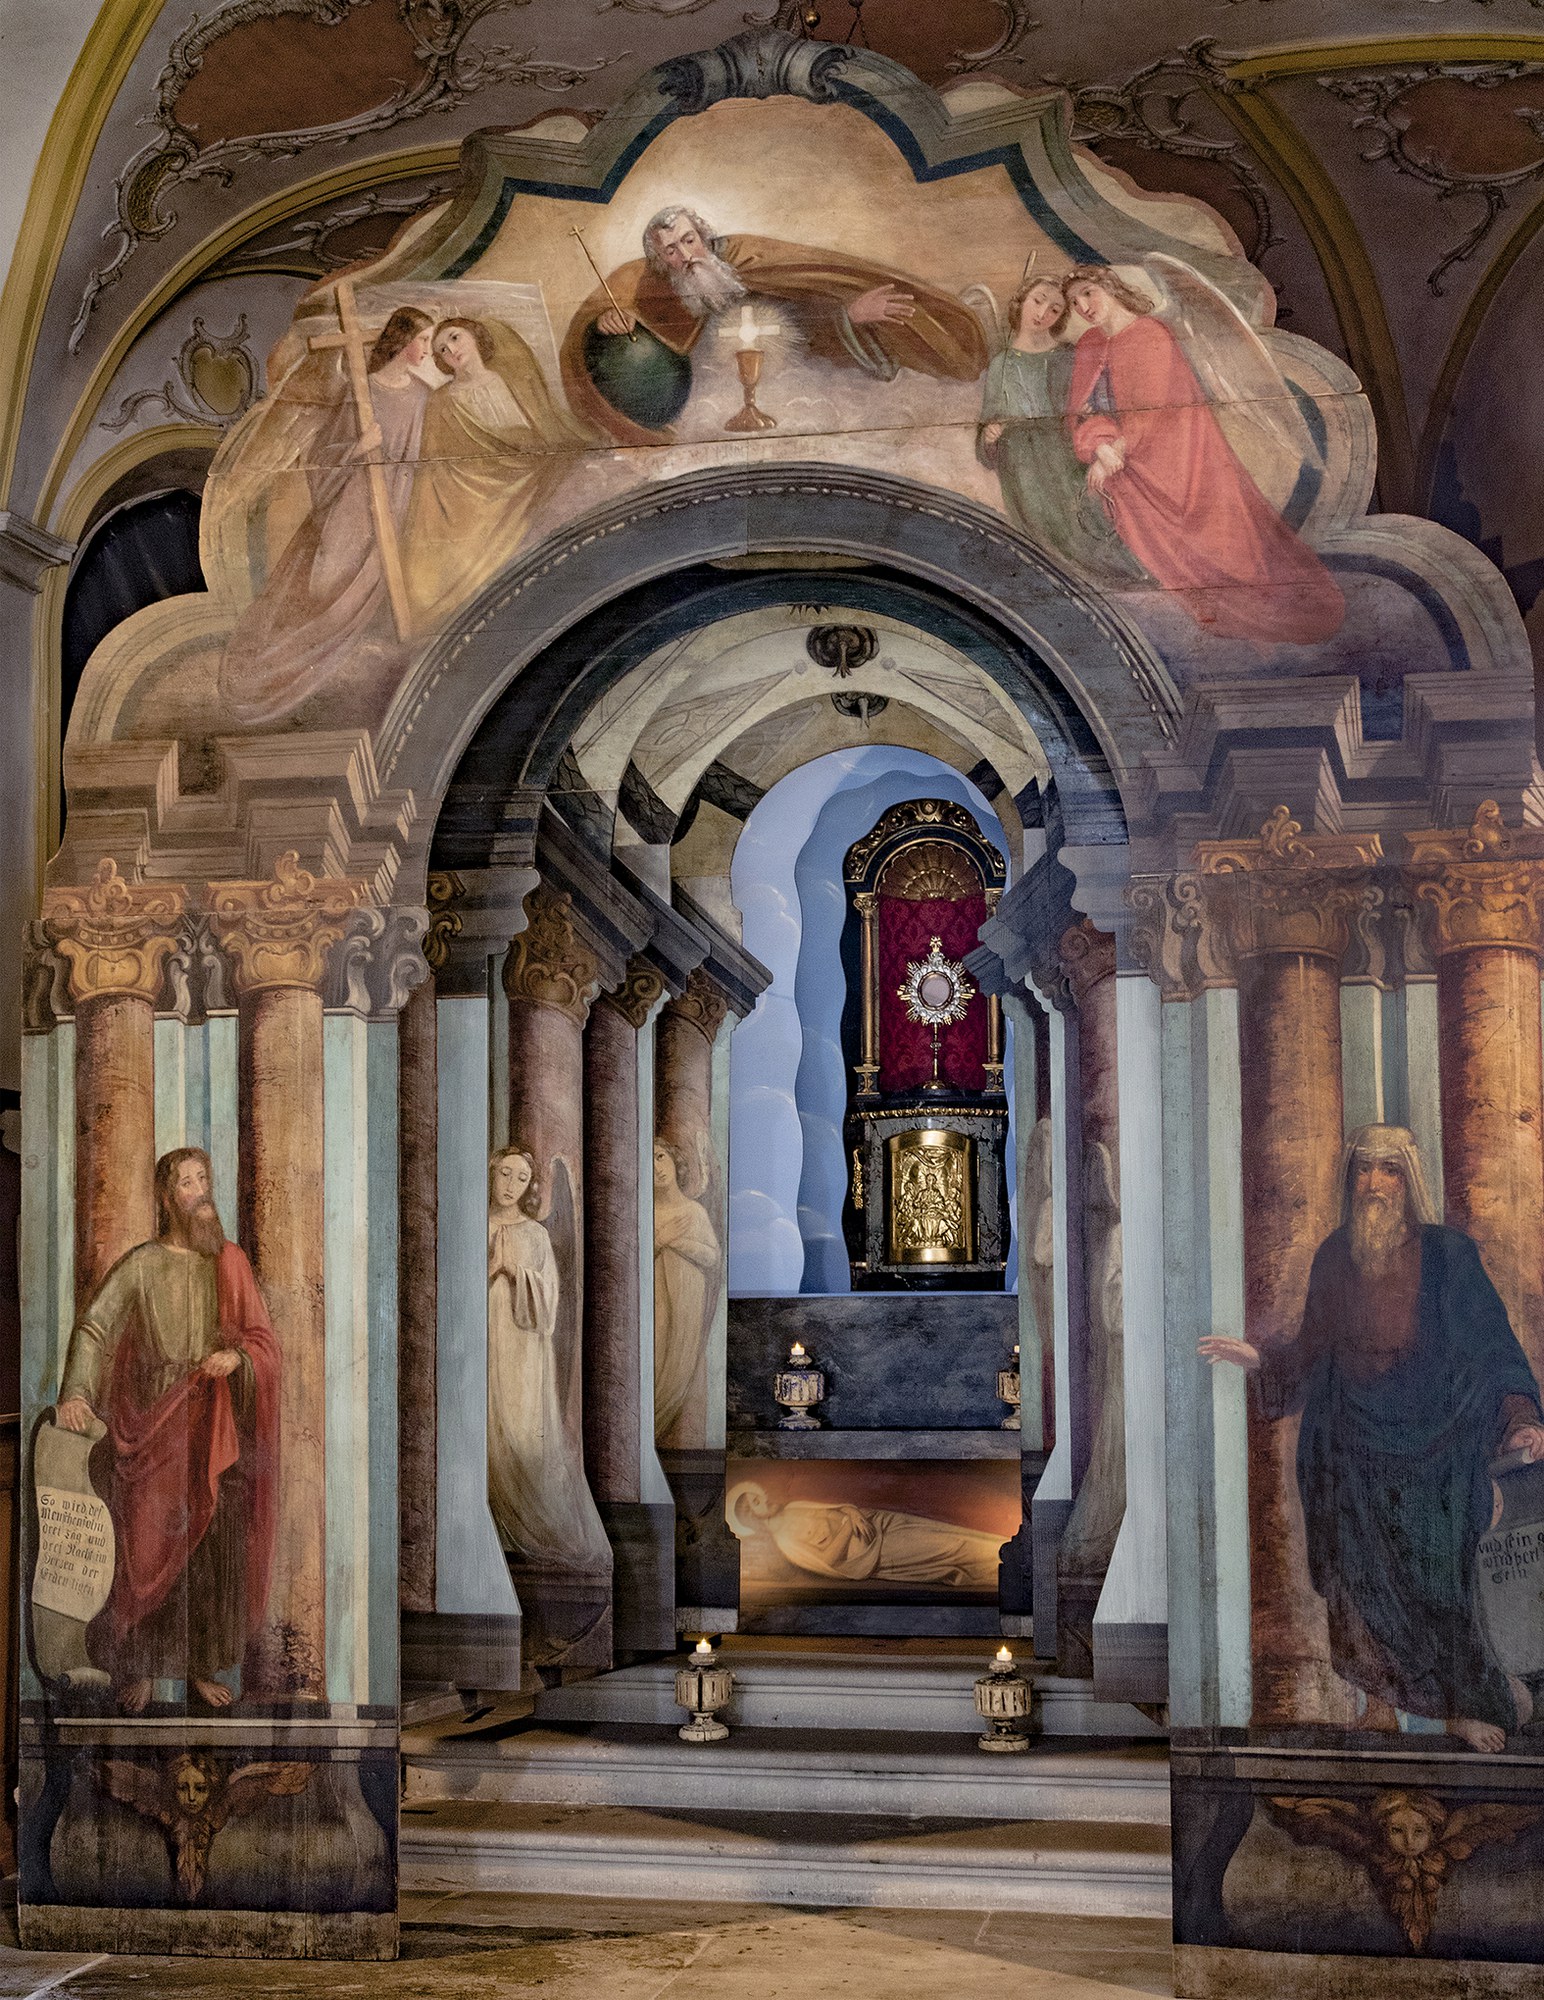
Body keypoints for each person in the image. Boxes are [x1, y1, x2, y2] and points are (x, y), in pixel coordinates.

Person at [1200, 1124, 1544, 1750]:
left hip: (1436, 1447)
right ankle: (1388, 1707)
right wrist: (1260, 1359)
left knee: (1440, 1584)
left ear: (1407, 1181)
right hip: (1351, 1448)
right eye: (1364, 1170)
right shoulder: (1336, 1255)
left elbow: (1492, 1347)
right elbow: (1311, 1346)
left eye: (1388, 1171)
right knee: (1360, 1588)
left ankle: (1461, 1708)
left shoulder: (1448, 1255)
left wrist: (1521, 1417)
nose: (1375, 1184)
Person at [54, 1148, 280, 1714]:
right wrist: (76, 1391)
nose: (200, 1191)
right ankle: (140, 1665)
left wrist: (236, 1357)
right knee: (146, 1543)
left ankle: (199, 1664)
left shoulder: (229, 1261)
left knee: (208, 1547)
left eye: (204, 1178)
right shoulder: (143, 1264)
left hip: (213, 1425)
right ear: (167, 1197)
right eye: (186, 1182)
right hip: (153, 1423)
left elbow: (263, 1342)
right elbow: (95, 1328)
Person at [1062, 263, 1345, 645]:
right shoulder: (1089, 345)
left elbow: (1156, 411)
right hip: (1122, 463)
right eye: (1074, 302)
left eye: (1088, 293)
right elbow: (1080, 410)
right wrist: (1097, 444)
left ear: (1110, 288)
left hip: (1177, 461)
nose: (1083, 306)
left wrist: (1114, 451)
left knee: (1218, 545)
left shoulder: (1150, 334)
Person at [561, 203, 987, 444]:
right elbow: (646, 328)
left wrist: (849, 314)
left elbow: (805, 316)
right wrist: (609, 321)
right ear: (661, 260)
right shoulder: (666, 295)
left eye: (689, 241)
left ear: (704, 237)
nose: (686, 256)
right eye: (671, 250)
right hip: (716, 404)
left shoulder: (751, 263)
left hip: (800, 387)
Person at [218, 305, 435, 725]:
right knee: (323, 585)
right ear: (402, 340)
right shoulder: (360, 392)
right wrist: (358, 448)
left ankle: (320, 656)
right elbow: (320, 457)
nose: (427, 348)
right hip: (345, 508)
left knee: (356, 595)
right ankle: (281, 660)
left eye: (429, 340)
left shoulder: (421, 395)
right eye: (422, 339)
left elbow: (419, 460)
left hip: (389, 506)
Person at [404, 315, 592, 631]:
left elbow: (544, 429)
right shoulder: (441, 402)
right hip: (476, 498)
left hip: (532, 476)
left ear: (474, 334)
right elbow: (439, 471)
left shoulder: (511, 379)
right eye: (441, 350)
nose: (451, 351)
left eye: (454, 338)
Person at [486, 1146, 610, 1571]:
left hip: (522, 1351)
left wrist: (513, 1271)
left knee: (522, 1430)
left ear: (530, 1187)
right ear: (492, 1173)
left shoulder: (536, 1235)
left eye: (521, 1179)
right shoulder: (476, 1225)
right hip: (484, 1342)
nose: (510, 1186)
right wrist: (492, 1268)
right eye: (505, 1174)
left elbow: (550, 1303)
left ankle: (529, 1529)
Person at [977, 273, 1144, 582]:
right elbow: (988, 427)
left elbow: (1094, 397)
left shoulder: (1067, 354)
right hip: (1020, 462)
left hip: (1064, 453)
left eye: (1054, 309)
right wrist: (989, 436)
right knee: (1040, 529)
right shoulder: (1001, 364)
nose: (1042, 313)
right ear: (1021, 301)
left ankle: (1122, 573)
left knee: (1083, 520)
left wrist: (1086, 411)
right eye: (1038, 301)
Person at [729, 1482, 1003, 1590]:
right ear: (753, 1518)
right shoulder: (786, 1543)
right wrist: (850, 1524)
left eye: (758, 1495)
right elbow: (831, 1562)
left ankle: (1004, 1551)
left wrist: (852, 1512)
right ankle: (1002, 1565)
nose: (765, 1498)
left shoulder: (793, 1507)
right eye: (756, 1503)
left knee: (946, 1533)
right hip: (878, 1550)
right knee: (951, 1547)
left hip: (879, 1522)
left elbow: (839, 1509)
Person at [652, 1138, 721, 1444]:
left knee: (679, 1366)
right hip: (656, 1302)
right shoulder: (647, 1213)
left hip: (687, 1302)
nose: (657, 1168)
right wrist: (659, 1241)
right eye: (650, 1161)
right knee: (656, 1359)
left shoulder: (694, 1213)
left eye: (660, 1157)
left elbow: (712, 1256)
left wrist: (673, 1240)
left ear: (674, 1161)